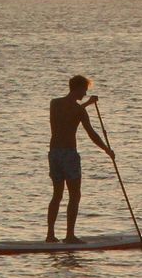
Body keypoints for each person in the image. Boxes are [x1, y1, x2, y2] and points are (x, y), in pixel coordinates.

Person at [47, 74, 113, 243]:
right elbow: (91, 134)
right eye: (84, 90)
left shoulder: (54, 104)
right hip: (69, 154)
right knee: (75, 195)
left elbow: (69, 114)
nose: (84, 93)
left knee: (57, 195)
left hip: (54, 154)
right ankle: (69, 236)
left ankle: (50, 235)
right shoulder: (79, 111)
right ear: (77, 88)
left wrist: (86, 105)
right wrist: (107, 150)